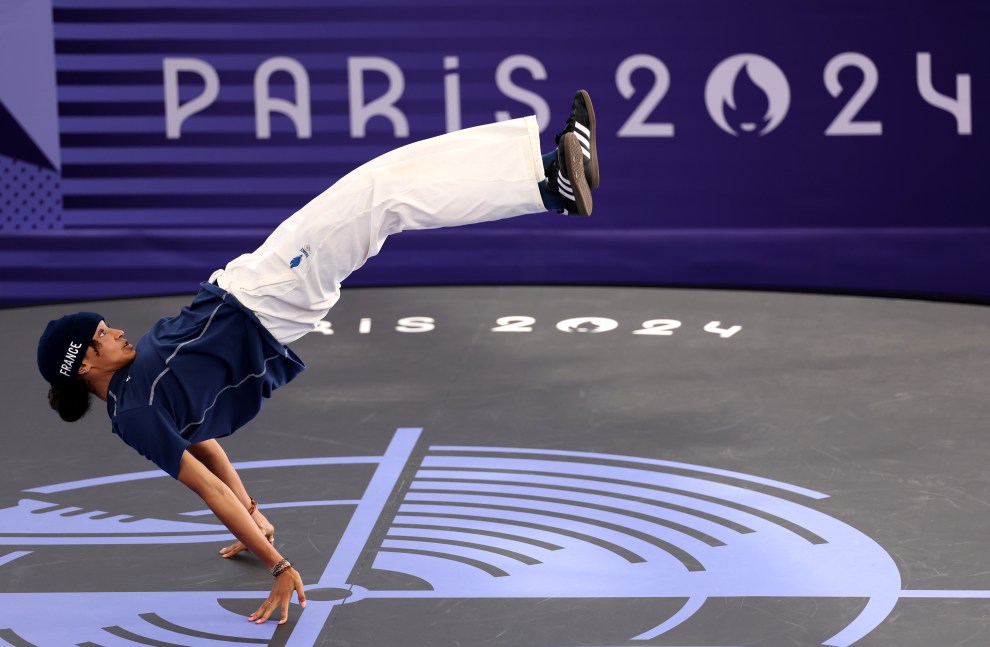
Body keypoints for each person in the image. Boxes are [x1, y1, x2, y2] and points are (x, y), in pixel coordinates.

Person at [35, 91, 600, 625]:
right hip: (268, 296)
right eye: (104, 335)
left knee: (385, 191)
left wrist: (252, 508)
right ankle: (550, 183)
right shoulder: (133, 412)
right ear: (84, 365)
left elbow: (199, 439)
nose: (118, 334)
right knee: (381, 192)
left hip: (259, 288)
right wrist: (278, 565)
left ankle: (551, 175)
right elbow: (203, 485)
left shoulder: (136, 396)